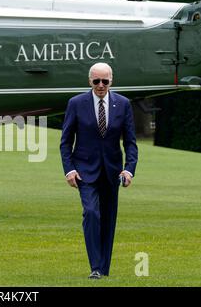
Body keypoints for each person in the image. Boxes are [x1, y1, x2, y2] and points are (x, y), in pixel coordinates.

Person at [60, 62, 138, 279]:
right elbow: (66, 142)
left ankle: (104, 269)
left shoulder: (123, 104)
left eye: (105, 81)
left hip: (112, 172)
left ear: (111, 80)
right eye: (96, 81)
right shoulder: (76, 103)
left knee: (108, 219)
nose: (101, 85)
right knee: (92, 213)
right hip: (84, 171)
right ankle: (95, 267)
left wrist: (129, 170)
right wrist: (69, 170)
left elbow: (130, 142)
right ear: (90, 81)